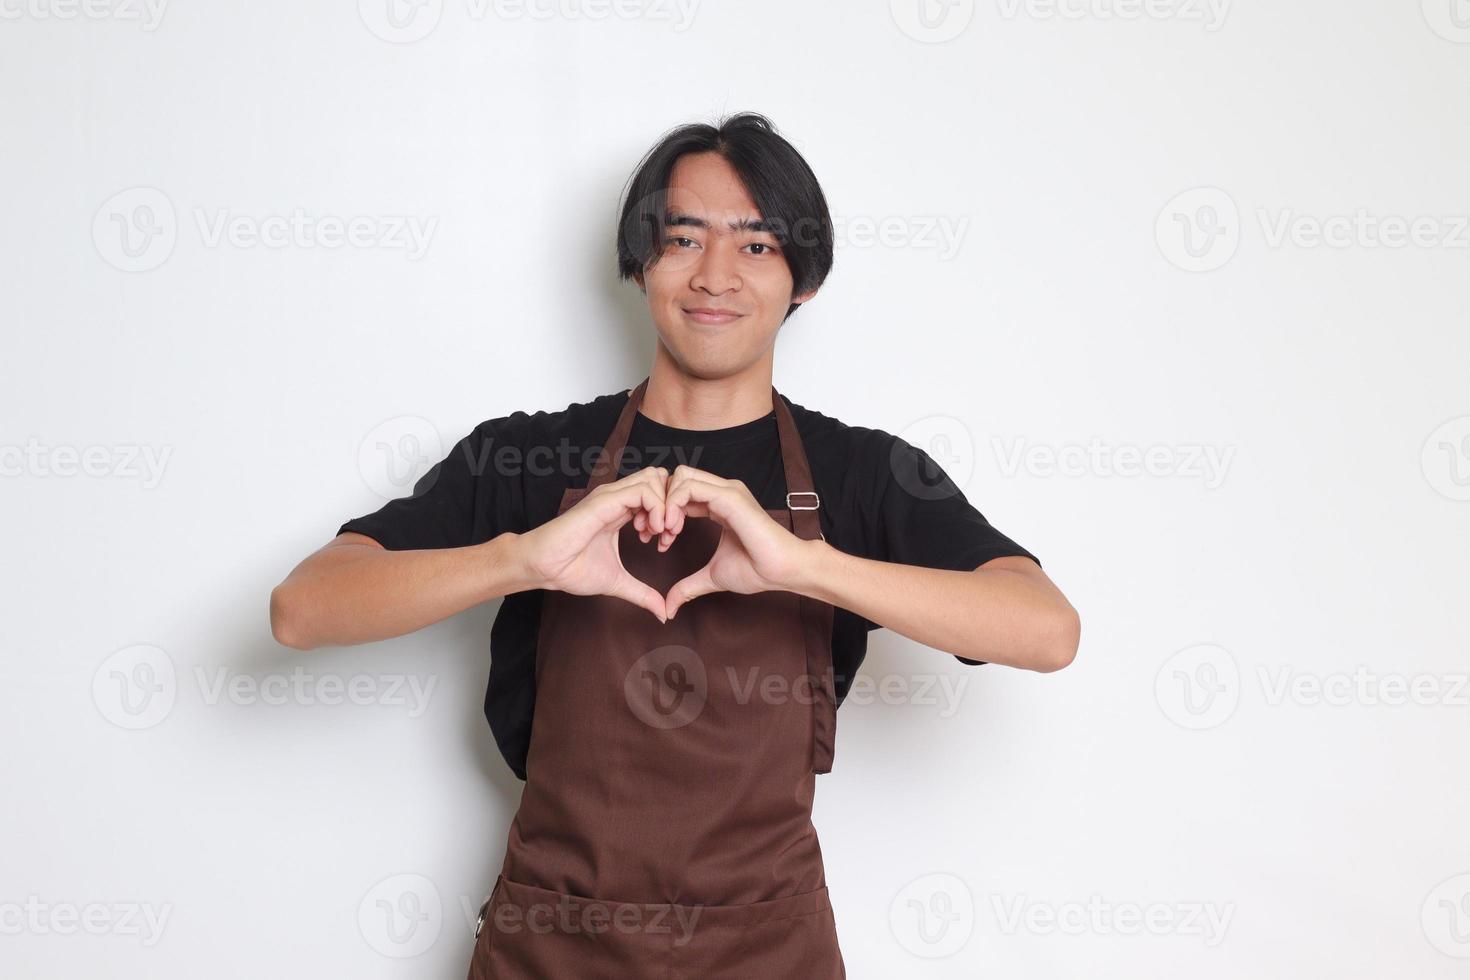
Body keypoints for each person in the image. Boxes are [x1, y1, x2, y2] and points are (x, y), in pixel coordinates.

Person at [269, 111, 1080, 978]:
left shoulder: (862, 474)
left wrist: (806, 565)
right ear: (640, 262)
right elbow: (303, 609)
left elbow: (1044, 630)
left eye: (758, 246)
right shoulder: (532, 456)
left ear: (804, 280)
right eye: (683, 239)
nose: (716, 276)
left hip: (768, 951)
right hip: (553, 946)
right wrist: (523, 557)